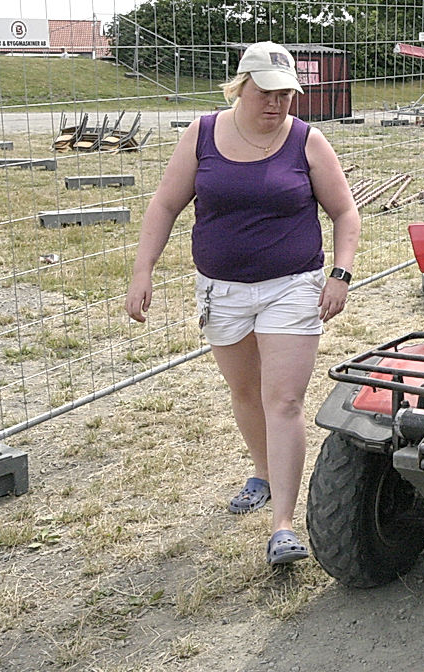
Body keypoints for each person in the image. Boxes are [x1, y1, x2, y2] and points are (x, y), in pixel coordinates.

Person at [125, 41, 360, 566]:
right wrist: (143, 271)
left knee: (284, 400)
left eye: (287, 95)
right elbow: (165, 203)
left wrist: (339, 275)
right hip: (222, 289)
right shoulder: (202, 134)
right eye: (266, 93)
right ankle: (263, 471)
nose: (277, 105)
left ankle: (283, 524)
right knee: (246, 393)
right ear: (240, 87)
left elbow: (345, 212)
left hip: (293, 286)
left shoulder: (307, 141)